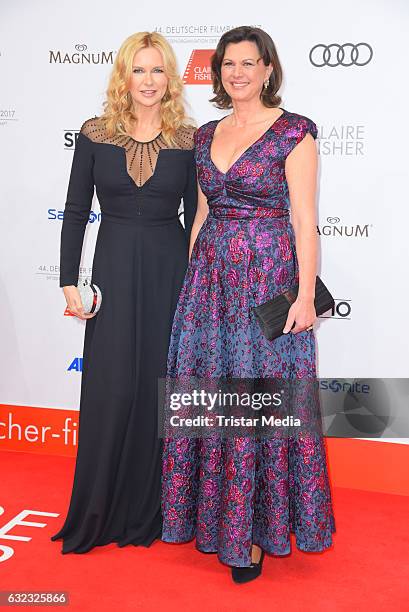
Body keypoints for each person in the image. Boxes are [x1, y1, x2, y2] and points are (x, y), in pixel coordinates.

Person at [161, 26, 335, 583]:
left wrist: (306, 294)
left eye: (248, 63)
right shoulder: (205, 133)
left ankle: (257, 531)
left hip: (267, 281)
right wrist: (191, 281)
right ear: (219, 73)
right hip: (209, 286)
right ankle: (215, 522)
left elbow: (306, 221)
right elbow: (206, 214)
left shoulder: (293, 134)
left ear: (267, 70)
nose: (237, 72)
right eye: (228, 64)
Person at [51, 31, 197, 554]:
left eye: (158, 71)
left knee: (161, 389)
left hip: (169, 272)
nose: (149, 81)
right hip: (111, 267)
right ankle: (100, 508)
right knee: (111, 387)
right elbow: (73, 211)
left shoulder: (189, 138)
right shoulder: (94, 134)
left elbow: (198, 219)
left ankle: (152, 509)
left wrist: (200, 287)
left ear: (170, 78)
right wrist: (69, 278)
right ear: (124, 76)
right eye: (140, 70)